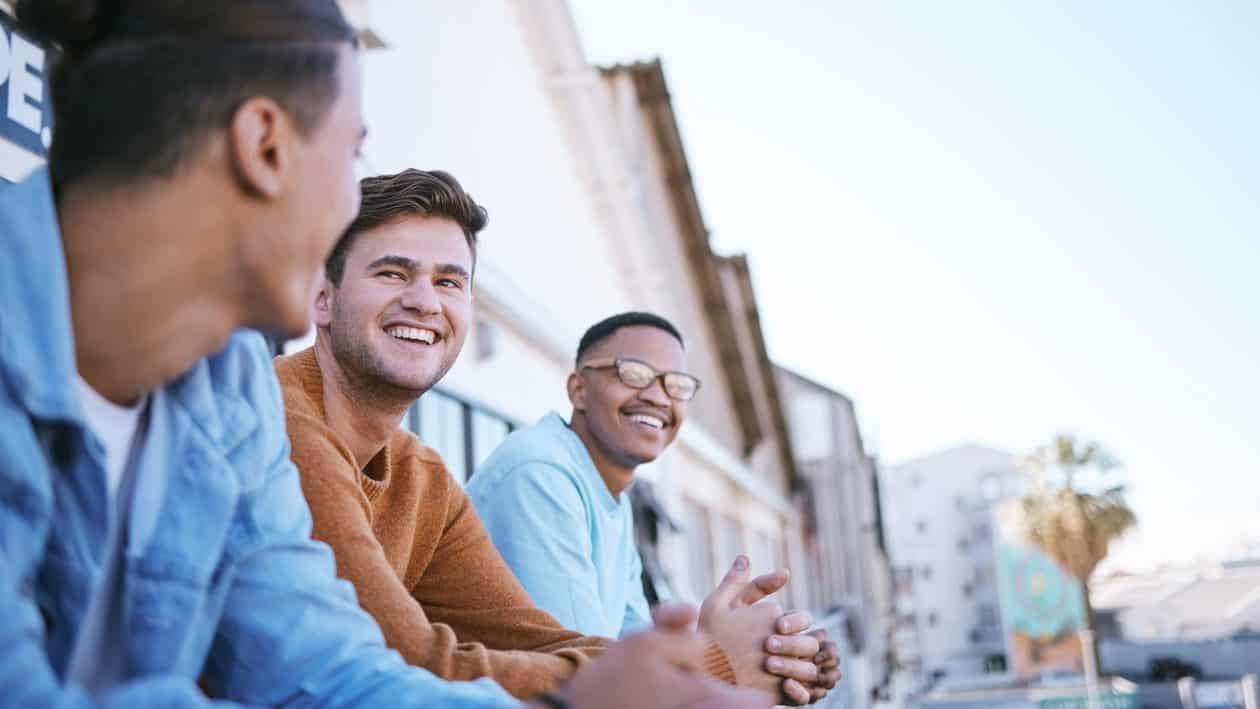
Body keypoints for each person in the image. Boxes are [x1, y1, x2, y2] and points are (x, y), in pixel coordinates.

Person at [0, 1, 768, 707]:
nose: (423, 300)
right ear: (265, 146)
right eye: (351, 154)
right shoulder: (275, 405)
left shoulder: (227, 394)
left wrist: (601, 694)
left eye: (448, 281)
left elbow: (325, 668)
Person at [277, 168, 828, 702]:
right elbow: (406, 660)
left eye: (449, 281)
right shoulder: (283, 421)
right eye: (392, 273)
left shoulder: (424, 479)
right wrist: (715, 665)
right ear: (322, 299)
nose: (425, 301)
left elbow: (538, 639)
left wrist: (752, 656)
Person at [468, 312, 844, 703]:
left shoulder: (613, 500)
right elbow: (592, 678)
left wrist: (771, 657)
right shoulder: (541, 473)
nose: (658, 396)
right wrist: (724, 656)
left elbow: (634, 659)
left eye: (676, 385)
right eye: (633, 374)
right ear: (579, 390)